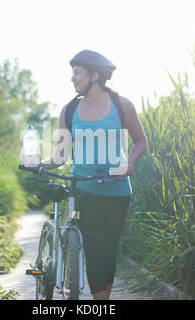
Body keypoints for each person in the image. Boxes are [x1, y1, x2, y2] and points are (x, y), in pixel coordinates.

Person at [40, 49, 148, 300]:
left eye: (77, 72)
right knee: (92, 249)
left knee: (108, 250)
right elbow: (61, 155)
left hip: (117, 191)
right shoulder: (69, 110)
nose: (72, 78)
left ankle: (103, 298)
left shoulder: (122, 105)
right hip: (84, 190)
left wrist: (130, 163)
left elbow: (141, 141)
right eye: (72, 73)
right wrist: (40, 163)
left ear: (95, 75)